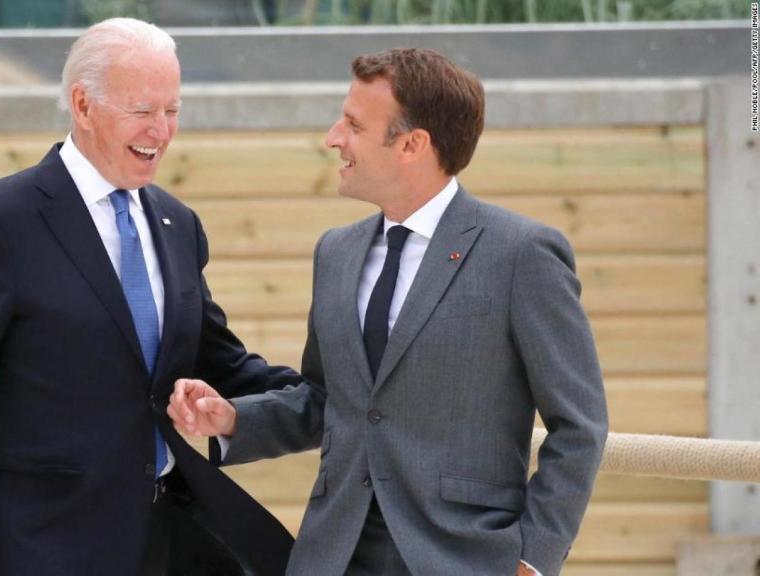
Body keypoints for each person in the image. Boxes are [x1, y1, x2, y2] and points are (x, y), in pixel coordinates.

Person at [168, 48, 608, 576]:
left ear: (412, 144)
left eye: (353, 125)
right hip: (333, 554)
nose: (334, 137)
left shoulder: (521, 254)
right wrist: (235, 418)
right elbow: (329, 400)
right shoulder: (336, 252)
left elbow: (579, 426)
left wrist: (533, 558)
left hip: (463, 557)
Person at [0, 17, 299, 576]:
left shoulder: (177, 223)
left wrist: (344, 395)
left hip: (166, 542)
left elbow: (222, 364)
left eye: (172, 111)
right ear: (83, 106)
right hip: (37, 549)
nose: (161, 132)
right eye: (143, 111)